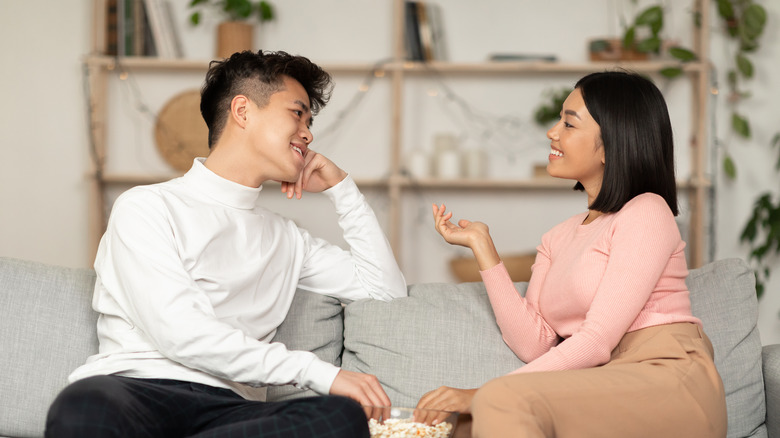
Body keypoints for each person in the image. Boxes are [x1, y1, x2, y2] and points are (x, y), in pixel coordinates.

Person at [45, 50, 407, 438]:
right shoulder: (147, 206)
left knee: (340, 418)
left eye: (310, 121)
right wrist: (319, 372)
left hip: (230, 412)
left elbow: (385, 290)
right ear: (243, 111)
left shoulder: (287, 238)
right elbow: (180, 331)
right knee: (83, 407)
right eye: (297, 113)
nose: (308, 132)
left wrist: (342, 189)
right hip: (133, 392)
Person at [419, 71, 727, 437]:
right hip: (608, 380)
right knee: (464, 425)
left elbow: (596, 341)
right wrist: (483, 248)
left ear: (612, 141)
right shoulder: (556, 237)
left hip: (668, 377)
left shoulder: (647, 210)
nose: (552, 132)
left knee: (495, 400)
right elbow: (534, 345)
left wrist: (481, 393)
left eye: (568, 123)